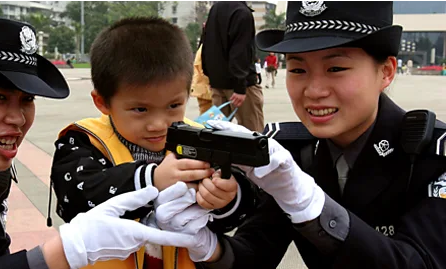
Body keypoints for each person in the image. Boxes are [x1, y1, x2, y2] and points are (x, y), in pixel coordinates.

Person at [152, 0, 446, 268]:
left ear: (386, 72)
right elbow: (254, 253)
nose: (314, 91)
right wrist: (207, 247)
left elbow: (420, 262)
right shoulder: (295, 152)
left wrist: (312, 206)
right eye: (297, 70)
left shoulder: (431, 155)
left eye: (336, 68)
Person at [0, 12, 199, 269]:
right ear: (102, 102)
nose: (18, 118)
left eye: (27, 99)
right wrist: (59, 254)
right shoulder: (83, 143)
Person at [49, 17, 257, 269]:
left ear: (188, 93)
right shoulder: (83, 140)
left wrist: (227, 198)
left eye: (173, 106)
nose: (159, 124)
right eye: (140, 109)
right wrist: (152, 180)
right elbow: (74, 199)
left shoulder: (201, 139)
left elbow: (239, 211)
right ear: (103, 102)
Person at [202, 0, 264, 132]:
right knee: (253, 132)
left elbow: (206, 44)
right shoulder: (242, 13)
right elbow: (240, 52)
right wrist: (240, 86)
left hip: (218, 83)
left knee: (218, 132)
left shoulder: (215, 9)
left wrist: (210, 76)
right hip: (241, 86)